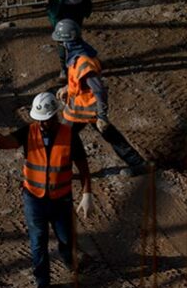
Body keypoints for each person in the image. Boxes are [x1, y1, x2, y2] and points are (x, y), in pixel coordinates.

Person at [0, 92, 93, 288]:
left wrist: (87, 194)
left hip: (61, 199)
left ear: (54, 117)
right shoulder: (28, 132)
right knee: (37, 242)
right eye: (39, 120)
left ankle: (69, 259)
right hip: (34, 199)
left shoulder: (69, 136)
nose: (42, 124)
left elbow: (83, 167)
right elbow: (6, 143)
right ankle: (43, 284)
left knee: (66, 237)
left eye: (45, 120)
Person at [51, 19, 146, 175]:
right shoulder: (77, 57)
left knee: (107, 134)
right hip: (77, 109)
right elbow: (79, 81)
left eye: (61, 41)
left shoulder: (84, 62)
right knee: (68, 136)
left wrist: (102, 116)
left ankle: (138, 164)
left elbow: (99, 90)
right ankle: (61, 169)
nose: (60, 44)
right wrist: (68, 87)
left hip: (89, 110)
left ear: (67, 41)